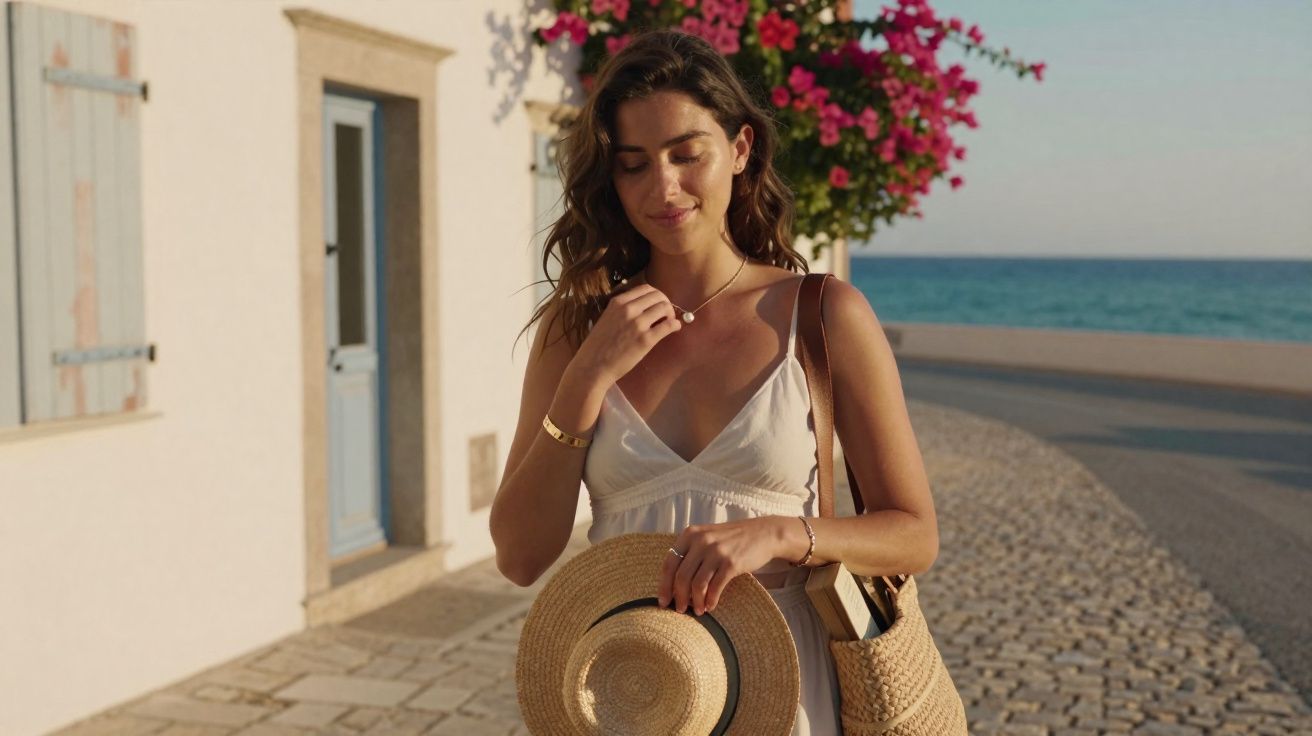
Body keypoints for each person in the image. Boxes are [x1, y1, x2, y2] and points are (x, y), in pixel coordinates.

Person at [490, 28, 941, 736]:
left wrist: (781, 534)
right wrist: (586, 378)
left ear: (740, 149)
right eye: (633, 165)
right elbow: (519, 556)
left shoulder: (824, 317)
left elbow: (914, 535)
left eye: (685, 154)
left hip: (785, 685)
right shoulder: (578, 331)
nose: (662, 188)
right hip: (630, 688)